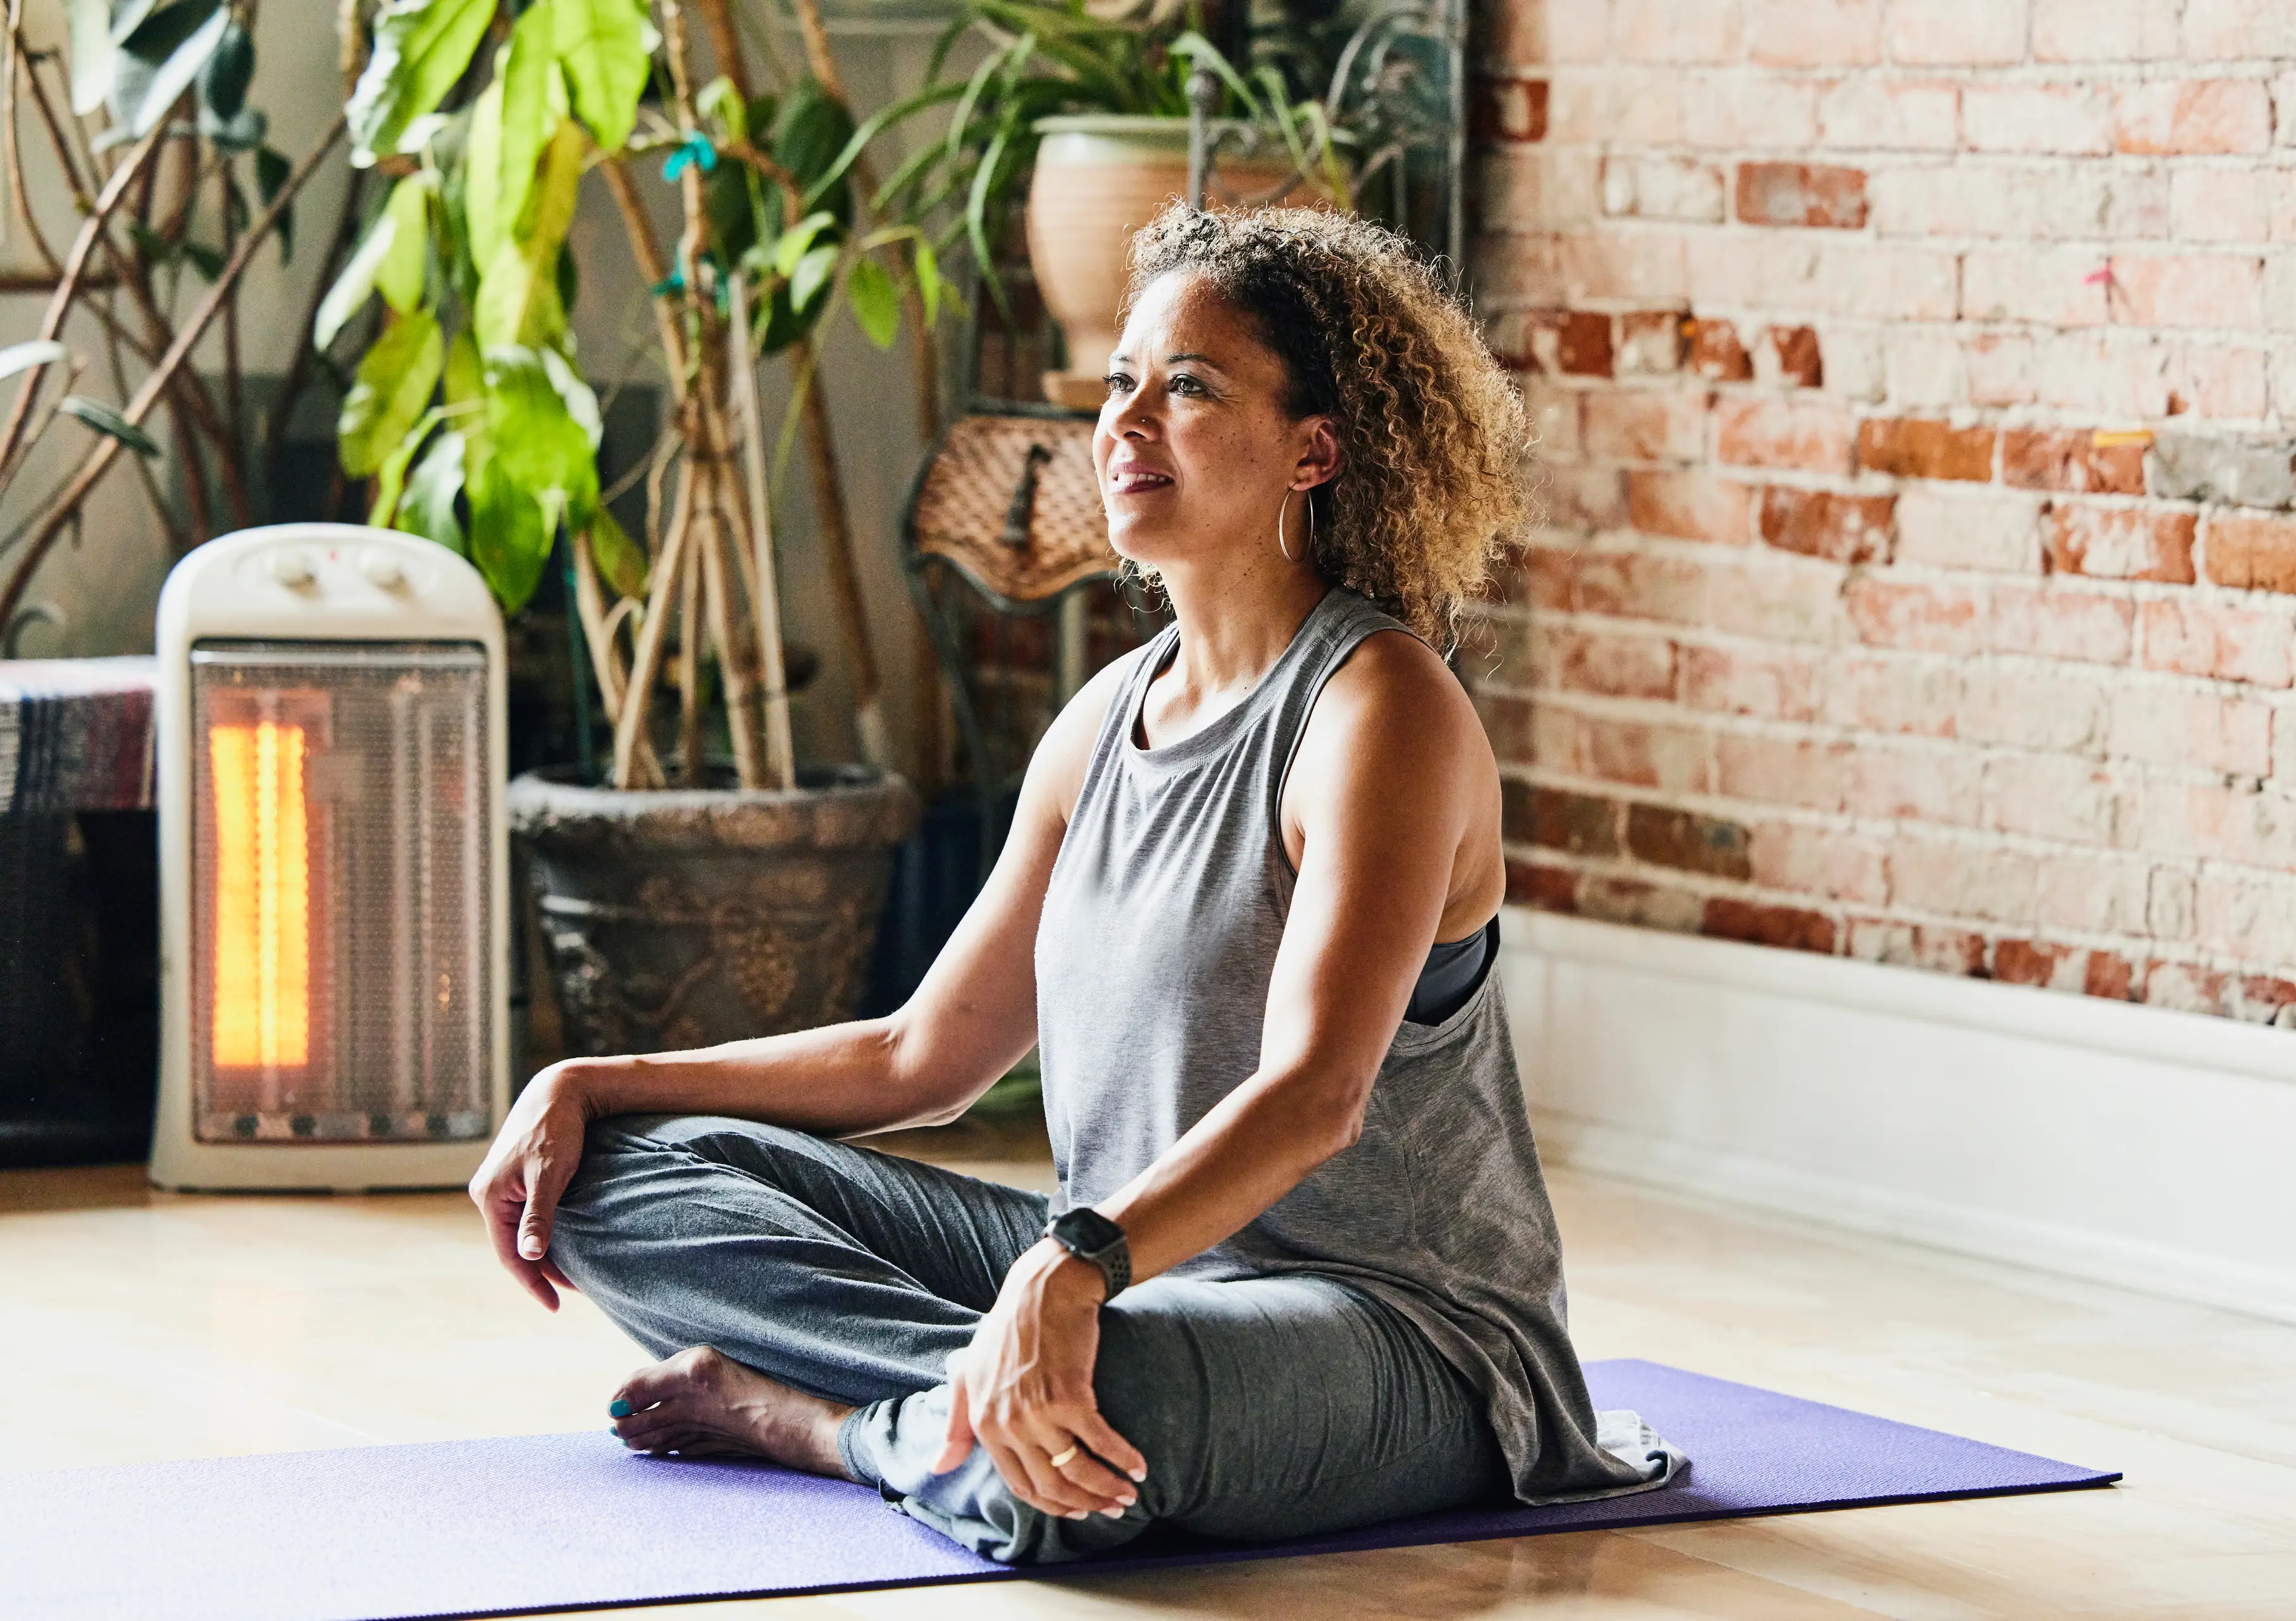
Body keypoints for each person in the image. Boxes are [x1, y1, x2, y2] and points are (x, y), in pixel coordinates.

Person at [469, 201, 1679, 1565]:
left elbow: (1317, 1096)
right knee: (603, 1178)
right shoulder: (1102, 722)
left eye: (1190, 387)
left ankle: (831, 1424)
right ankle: (993, 1410)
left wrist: (1079, 1263)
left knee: (1115, 1400)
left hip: (1400, 1335)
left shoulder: (1378, 709)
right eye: (1119, 384)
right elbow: (920, 1057)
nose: (1124, 423)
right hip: (1115, 1271)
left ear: (1314, 451)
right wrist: (593, 1082)